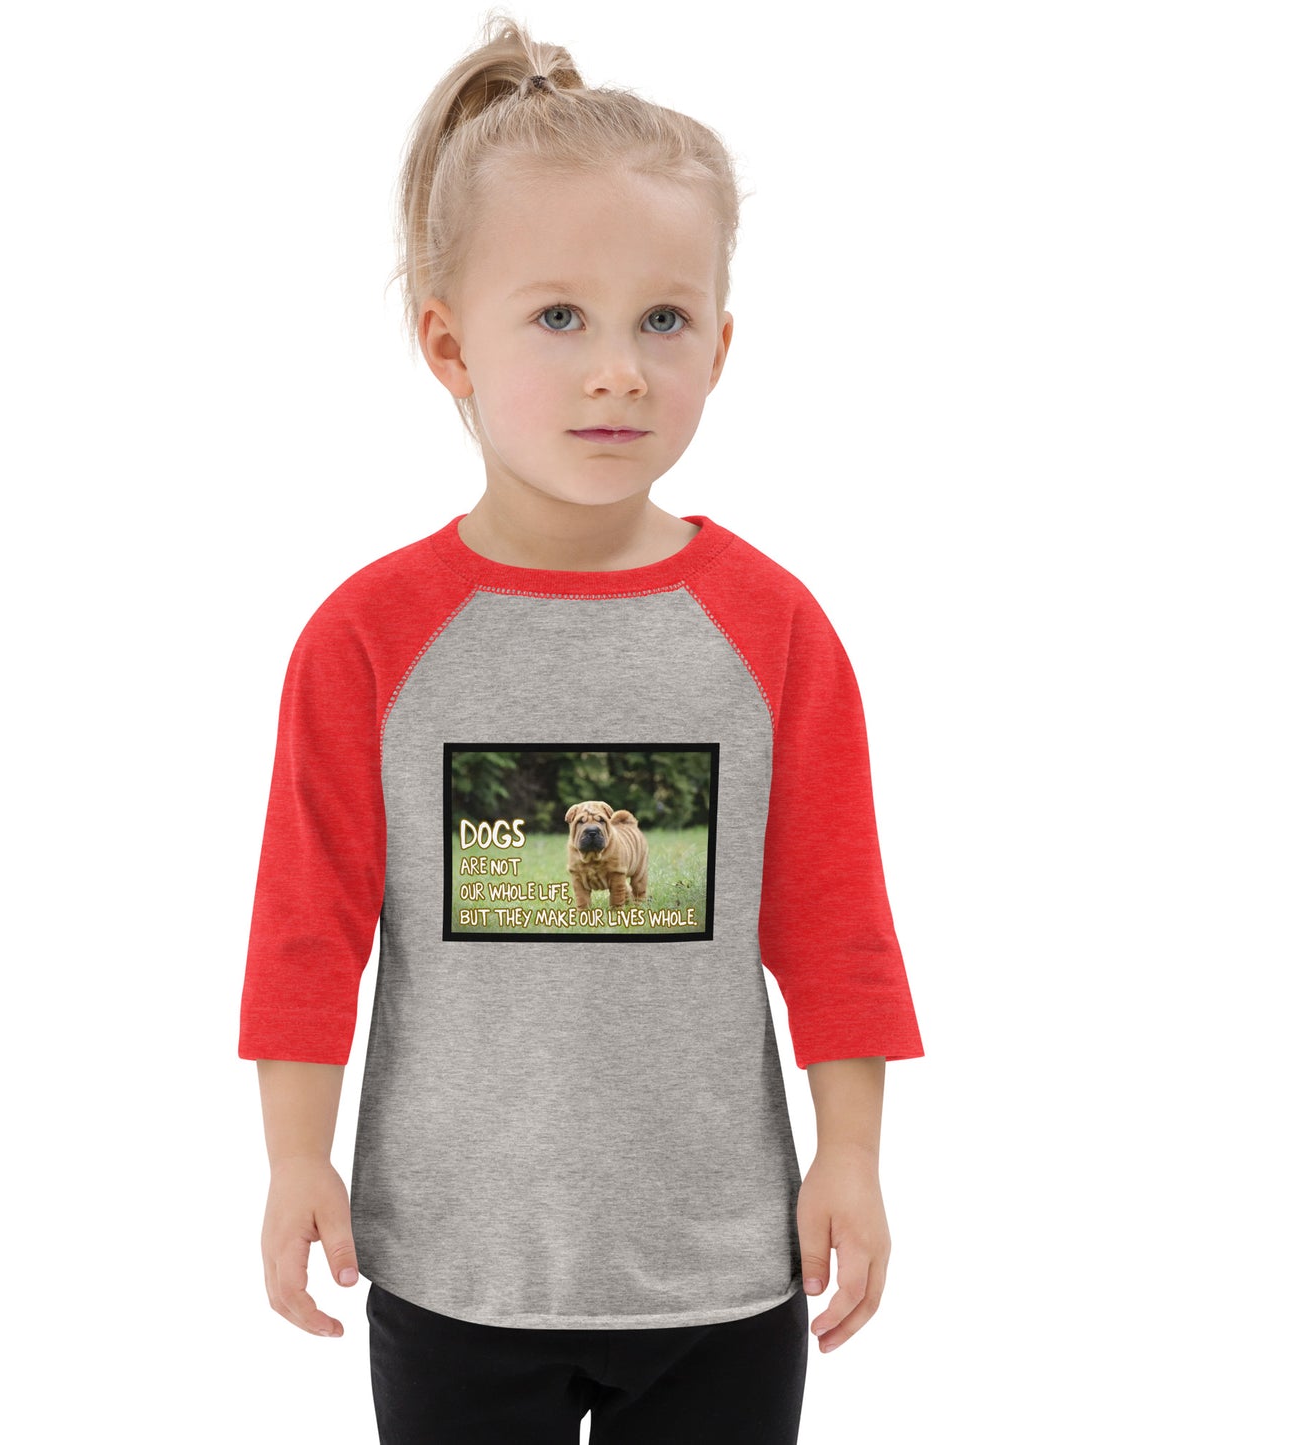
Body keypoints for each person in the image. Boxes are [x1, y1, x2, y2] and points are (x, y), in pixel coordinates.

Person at [238, 12, 925, 1443]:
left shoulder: (772, 629)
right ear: (449, 344)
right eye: (559, 317)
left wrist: (850, 1154)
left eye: (661, 319)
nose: (618, 369)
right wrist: (295, 1156)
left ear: (720, 345)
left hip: (722, 1264)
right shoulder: (369, 639)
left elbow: (834, 918)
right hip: (453, 1265)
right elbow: (307, 927)